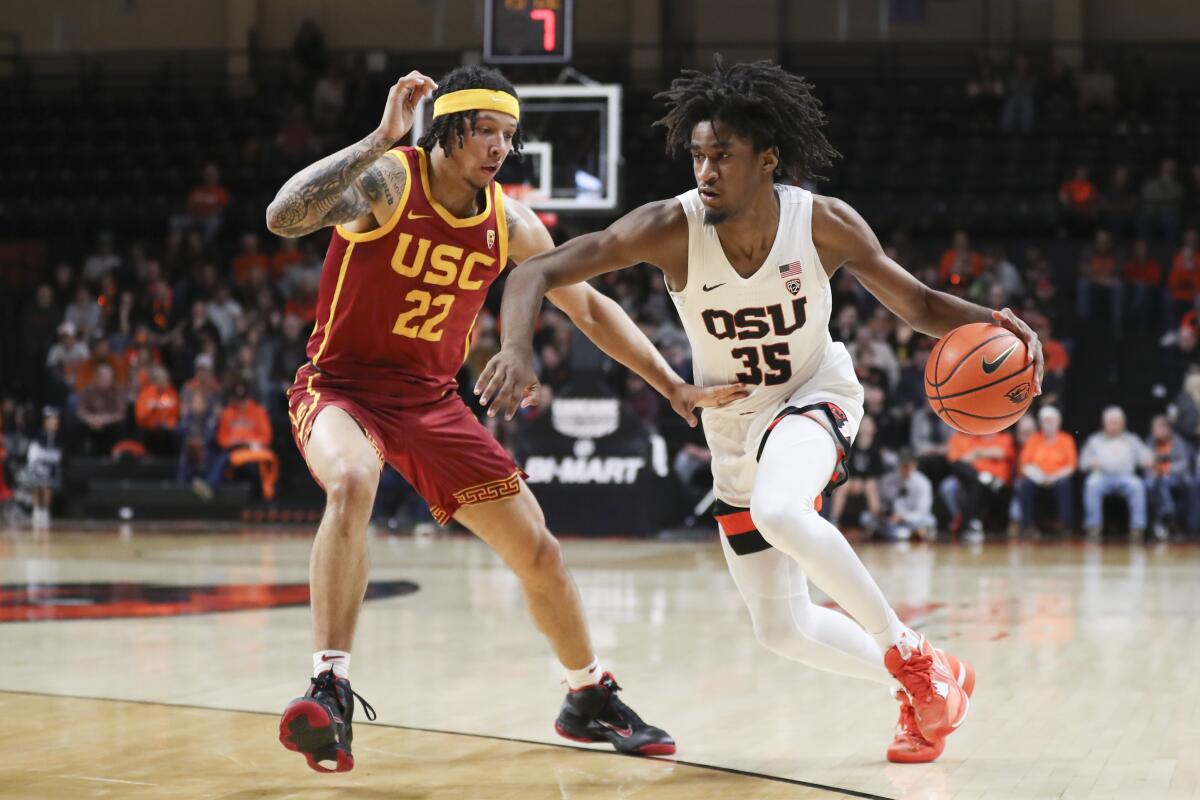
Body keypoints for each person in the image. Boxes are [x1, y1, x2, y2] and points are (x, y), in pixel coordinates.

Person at [479, 59, 1043, 764]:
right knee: (782, 628)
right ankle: (938, 678)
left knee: (781, 511)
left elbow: (921, 305)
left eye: (724, 156)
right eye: (698, 156)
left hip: (813, 398)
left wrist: (999, 322)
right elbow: (535, 270)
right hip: (734, 428)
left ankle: (909, 659)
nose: (706, 170)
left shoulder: (823, 223)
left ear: (768, 160)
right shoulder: (670, 227)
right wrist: (517, 346)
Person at [264, 67, 738, 771]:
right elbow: (283, 217)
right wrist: (379, 137)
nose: (498, 147)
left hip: (431, 402)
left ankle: (587, 696)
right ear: (449, 130)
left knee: (540, 552)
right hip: (343, 390)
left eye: (509, 135)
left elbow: (590, 308)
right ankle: (329, 684)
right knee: (351, 482)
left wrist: (671, 383)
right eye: (486, 130)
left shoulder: (509, 222)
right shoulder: (390, 182)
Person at [1080, 406, 1153, 539]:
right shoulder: (1094, 440)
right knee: (1092, 484)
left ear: (1123, 423)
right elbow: (1082, 463)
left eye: (1116, 422)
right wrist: (1091, 463)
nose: (1113, 425)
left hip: (1126, 478)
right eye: (1110, 422)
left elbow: (1146, 457)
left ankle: (1138, 528)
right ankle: (1093, 527)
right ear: (1104, 423)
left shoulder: (1132, 439)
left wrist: (1148, 459)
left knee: (1137, 485)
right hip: (1102, 477)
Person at [940, 428, 1016, 542]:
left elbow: (1001, 453)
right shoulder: (975, 439)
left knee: (973, 483)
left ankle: (970, 523)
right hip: (980, 481)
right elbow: (964, 459)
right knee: (970, 478)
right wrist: (982, 457)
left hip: (999, 484)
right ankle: (972, 523)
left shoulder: (1004, 438)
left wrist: (980, 452)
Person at [1015, 405, 1077, 535]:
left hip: (1058, 478)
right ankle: (1028, 525)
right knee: (1025, 484)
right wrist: (1040, 477)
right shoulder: (1034, 439)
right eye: (1045, 421)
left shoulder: (1066, 439)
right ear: (1041, 423)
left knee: (1064, 484)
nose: (1048, 424)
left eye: (1051, 421)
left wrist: (1053, 477)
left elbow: (1071, 466)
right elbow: (1025, 465)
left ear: (1058, 422)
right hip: (1037, 478)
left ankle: (1064, 526)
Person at [1144, 414, 1195, 540]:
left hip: (1176, 478)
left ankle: (1165, 518)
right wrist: (1153, 468)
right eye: (1156, 428)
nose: (1159, 431)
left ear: (1169, 429)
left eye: (1163, 428)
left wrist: (1166, 469)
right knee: (1151, 484)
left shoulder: (1177, 441)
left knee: (1164, 484)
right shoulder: (1149, 442)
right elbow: (1147, 463)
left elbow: (1184, 464)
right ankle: (1166, 519)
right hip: (1155, 478)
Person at [879, 447, 935, 540]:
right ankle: (910, 534)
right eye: (902, 464)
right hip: (893, 522)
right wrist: (884, 514)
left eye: (908, 465)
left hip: (914, 520)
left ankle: (914, 533)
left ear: (914, 465)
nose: (905, 468)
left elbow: (922, 512)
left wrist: (903, 517)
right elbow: (883, 505)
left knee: (930, 521)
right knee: (866, 518)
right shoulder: (888, 481)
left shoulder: (923, 483)